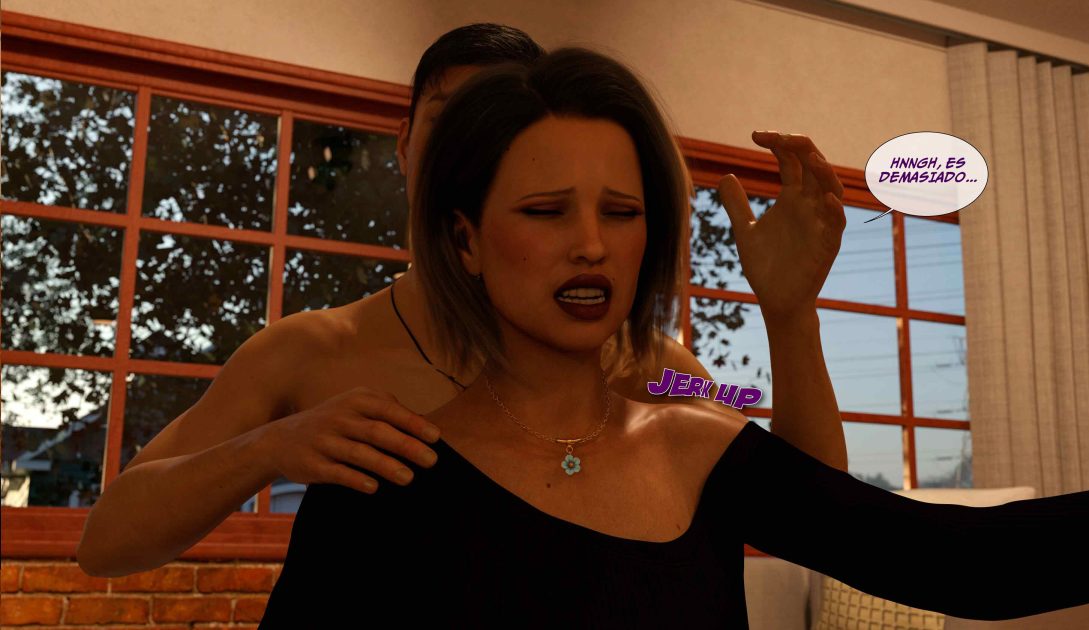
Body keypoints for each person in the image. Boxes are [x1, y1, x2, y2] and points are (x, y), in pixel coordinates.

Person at [258, 47, 1089, 628]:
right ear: (464, 239)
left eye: (622, 212)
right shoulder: (381, 481)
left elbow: (967, 562)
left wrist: (789, 313)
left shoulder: (697, 440)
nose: (591, 245)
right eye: (545, 210)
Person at [75, 23, 847, 578]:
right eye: (452, 123)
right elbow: (108, 541)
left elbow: (815, 516)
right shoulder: (309, 352)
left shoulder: (648, 368)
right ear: (406, 146)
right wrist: (267, 449)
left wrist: (790, 313)